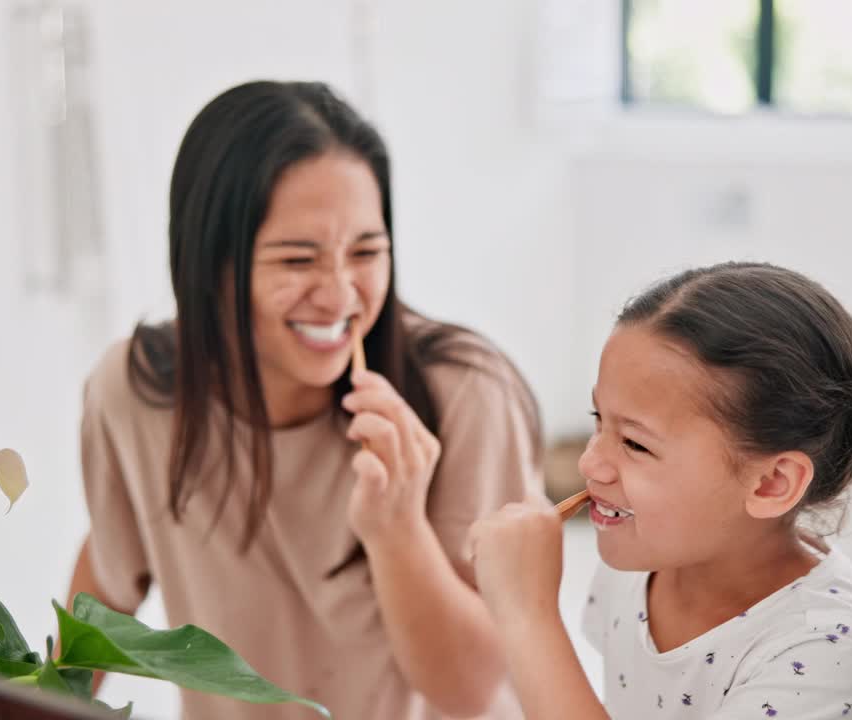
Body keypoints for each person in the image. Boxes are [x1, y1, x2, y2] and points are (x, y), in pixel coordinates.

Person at [65, 80, 543, 720]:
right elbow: (107, 580)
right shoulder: (134, 392)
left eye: (367, 252)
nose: (341, 295)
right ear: (207, 265)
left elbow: (469, 691)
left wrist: (397, 527)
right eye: (298, 259)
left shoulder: (467, 393)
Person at [470, 262, 852, 720]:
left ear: (771, 483)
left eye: (635, 443)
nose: (588, 462)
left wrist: (529, 615)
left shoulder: (822, 653)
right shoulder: (636, 562)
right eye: (598, 419)